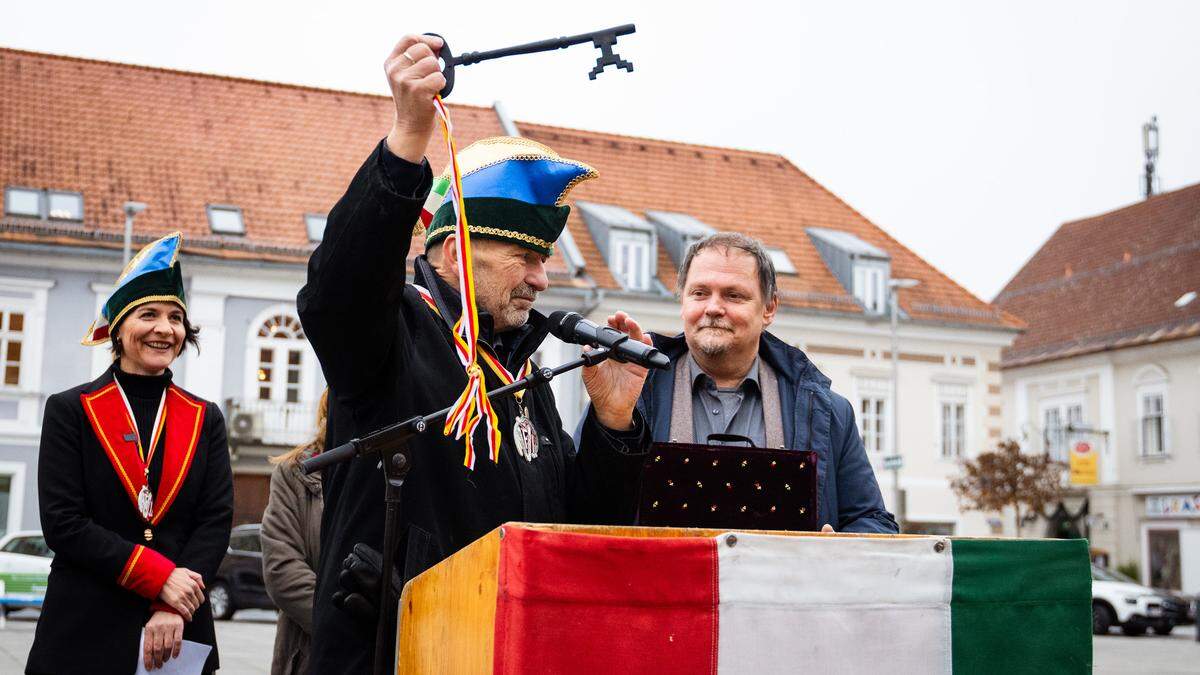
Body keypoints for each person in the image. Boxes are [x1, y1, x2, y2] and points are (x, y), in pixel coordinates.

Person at [297, 34, 654, 673]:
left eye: (544, 261)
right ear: (459, 254)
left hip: (506, 651)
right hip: (396, 652)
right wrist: (408, 136)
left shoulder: (526, 376)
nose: (542, 279)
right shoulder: (395, 333)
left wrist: (613, 423)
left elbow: (575, 530)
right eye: (526, 258)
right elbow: (337, 289)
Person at [27, 232, 234, 674]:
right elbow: (64, 523)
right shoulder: (71, 410)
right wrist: (161, 580)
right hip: (85, 623)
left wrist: (173, 606)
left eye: (175, 318)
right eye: (149, 314)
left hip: (179, 625)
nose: (165, 328)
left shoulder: (205, 417)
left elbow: (214, 521)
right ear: (118, 329)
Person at [617, 232, 898, 534]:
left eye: (733, 295)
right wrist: (609, 420)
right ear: (682, 302)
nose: (713, 307)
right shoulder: (635, 395)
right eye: (699, 293)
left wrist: (837, 549)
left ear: (769, 308)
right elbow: (581, 505)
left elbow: (874, 522)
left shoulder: (826, 413)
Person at [261, 390, 328, 675]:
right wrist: (341, 626)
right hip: (310, 653)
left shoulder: (396, 465)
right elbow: (282, 569)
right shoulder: (295, 473)